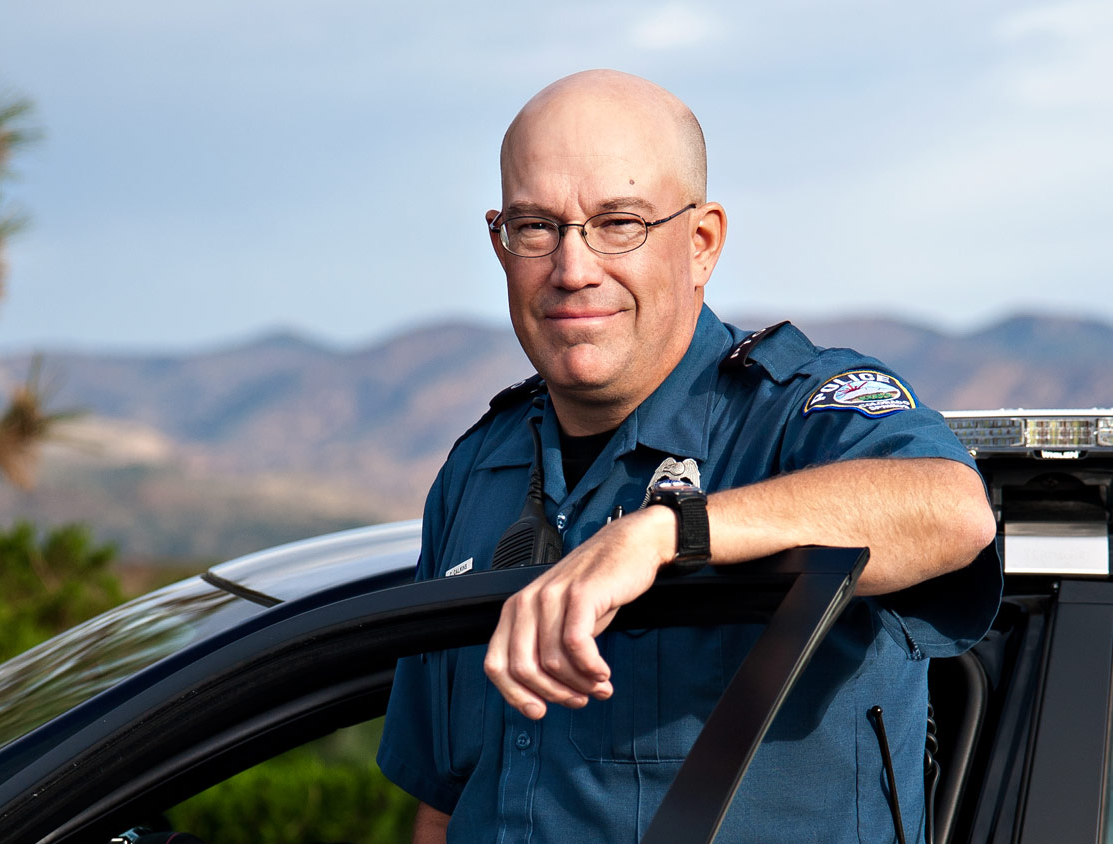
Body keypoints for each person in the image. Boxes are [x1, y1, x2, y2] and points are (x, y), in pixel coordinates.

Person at [377, 69, 1000, 844]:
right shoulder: (478, 472)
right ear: (501, 243)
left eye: (619, 223)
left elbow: (950, 511)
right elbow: (445, 803)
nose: (573, 269)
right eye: (536, 226)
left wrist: (666, 534)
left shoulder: (791, 420)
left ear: (701, 243)